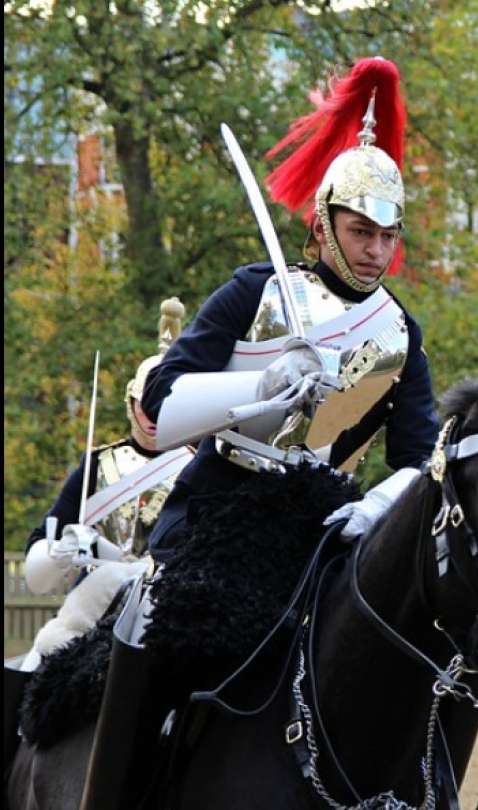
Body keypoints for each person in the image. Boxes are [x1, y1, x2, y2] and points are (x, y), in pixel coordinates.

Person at [79, 57, 439, 810]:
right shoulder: (255, 293)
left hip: (327, 524)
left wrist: (371, 511)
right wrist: (262, 387)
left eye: (388, 235)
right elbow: (160, 401)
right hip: (219, 510)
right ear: (324, 223)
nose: (375, 249)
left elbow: (417, 459)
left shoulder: (403, 334)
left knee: (420, 658)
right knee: (147, 633)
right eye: (360, 230)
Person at [5, 298, 193, 774]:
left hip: (162, 614)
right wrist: (58, 550)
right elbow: (42, 540)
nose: (152, 415)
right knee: (18, 680)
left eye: (164, 403)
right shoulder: (96, 465)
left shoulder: (199, 470)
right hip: (83, 617)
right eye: (143, 402)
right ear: (129, 402)